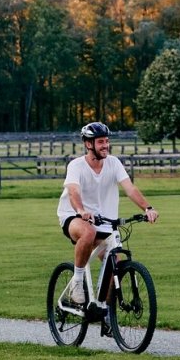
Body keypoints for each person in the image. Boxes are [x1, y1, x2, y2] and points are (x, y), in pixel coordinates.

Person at [56, 122, 158, 306]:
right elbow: (73, 192)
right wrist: (81, 211)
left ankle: (106, 313)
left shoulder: (113, 163)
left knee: (115, 266)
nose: (105, 145)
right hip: (74, 216)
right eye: (101, 141)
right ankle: (77, 282)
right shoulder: (76, 166)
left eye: (107, 141)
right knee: (88, 232)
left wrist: (147, 208)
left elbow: (130, 188)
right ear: (89, 144)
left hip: (104, 220)